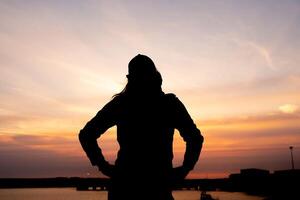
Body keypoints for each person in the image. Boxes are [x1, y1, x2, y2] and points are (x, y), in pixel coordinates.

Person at [79, 54, 204, 200]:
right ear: (155, 75)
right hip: (148, 186)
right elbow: (195, 138)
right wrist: (185, 169)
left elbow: (86, 134)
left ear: (130, 78)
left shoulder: (123, 104)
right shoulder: (168, 104)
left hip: (131, 186)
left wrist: (103, 166)